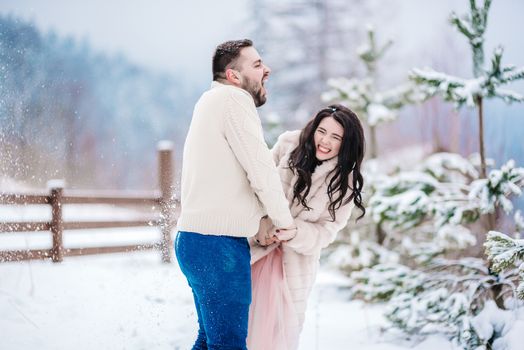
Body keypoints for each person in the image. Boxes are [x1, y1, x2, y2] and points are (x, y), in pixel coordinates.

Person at [175, 39, 297, 350]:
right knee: (226, 345)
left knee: (209, 342)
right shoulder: (233, 100)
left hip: (194, 241)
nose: (266, 69)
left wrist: (258, 221)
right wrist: (284, 222)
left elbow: (229, 181)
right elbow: (260, 170)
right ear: (233, 75)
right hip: (218, 248)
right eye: (256, 65)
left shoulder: (209, 101)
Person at [247, 104, 366, 350]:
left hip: (293, 266)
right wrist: (260, 225)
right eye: (321, 131)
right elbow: (255, 187)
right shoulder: (288, 144)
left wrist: (296, 233)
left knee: (278, 337)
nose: (325, 141)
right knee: (241, 328)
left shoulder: (345, 180)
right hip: (253, 252)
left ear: (347, 144)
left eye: (336, 137)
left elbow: (326, 232)